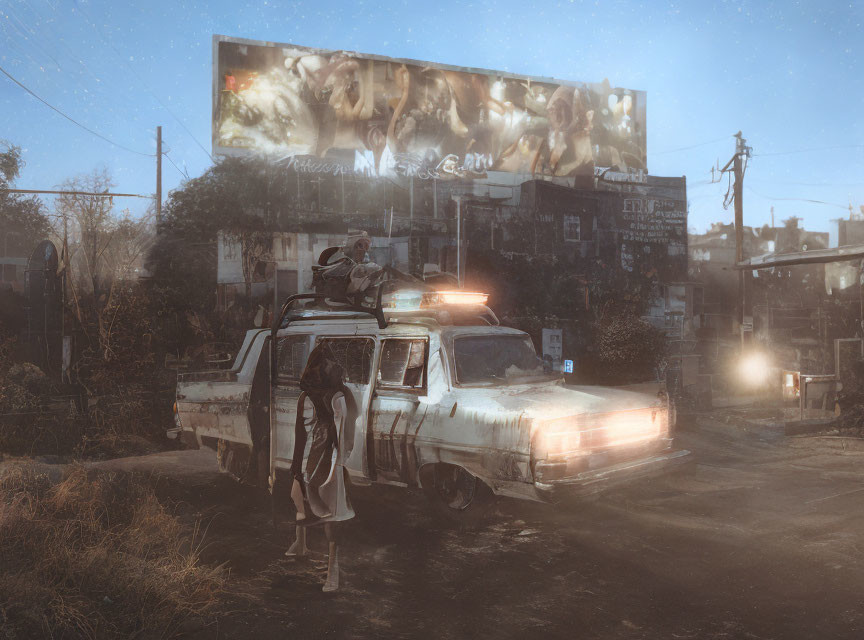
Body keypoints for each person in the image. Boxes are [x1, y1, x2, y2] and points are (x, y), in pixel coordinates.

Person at [285, 343, 357, 592]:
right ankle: (301, 544)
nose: (325, 367)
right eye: (321, 363)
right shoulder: (305, 397)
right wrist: (296, 466)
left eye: (327, 363)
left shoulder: (340, 396)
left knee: (332, 517)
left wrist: (342, 460)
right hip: (309, 459)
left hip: (330, 462)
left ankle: (332, 571)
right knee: (300, 501)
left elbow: (347, 431)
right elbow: (299, 432)